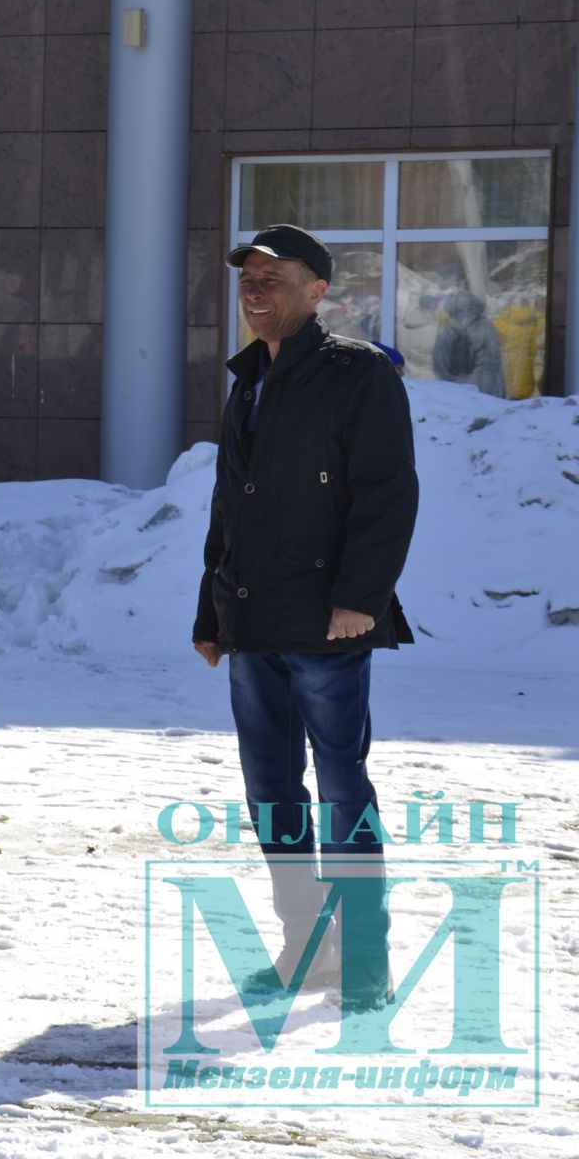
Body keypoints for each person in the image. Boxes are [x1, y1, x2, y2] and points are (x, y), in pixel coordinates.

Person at [196, 224, 418, 1008]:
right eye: (248, 280)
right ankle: (307, 944)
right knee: (271, 791)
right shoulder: (248, 378)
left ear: (317, 290)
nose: (256, 291)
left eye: (274, 277)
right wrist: (209, 611)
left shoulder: (358, 376)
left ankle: (362, 960)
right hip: (252, 622)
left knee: (341, 787)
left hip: (329, 622)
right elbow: (230, 503)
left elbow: (387, 496)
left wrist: (361, 597)